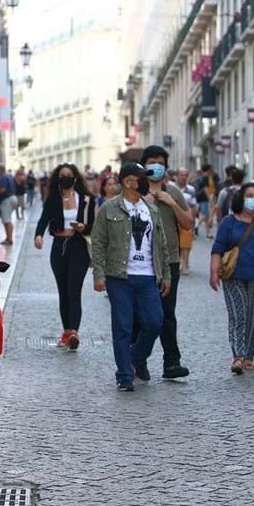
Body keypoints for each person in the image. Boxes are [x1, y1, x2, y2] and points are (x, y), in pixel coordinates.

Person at [91, 162, 171, 392]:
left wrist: (166, 275)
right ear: (128, 182)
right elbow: (98, 243)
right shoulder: (109, 209)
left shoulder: (152, 209)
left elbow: (161, 244)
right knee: (123, 326)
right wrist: (99, 274)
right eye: (141, 178)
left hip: (148, 276)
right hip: (119, 276)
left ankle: (136, 355)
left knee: (155, 321)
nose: (146, 182)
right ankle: (124, 374)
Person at [209, 182, 254, 375]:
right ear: (241, 198)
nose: (253, 200)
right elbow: (218, 247)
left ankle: (249, 356)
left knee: (253, 316)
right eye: (250, 195)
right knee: (238, 314)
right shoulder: (228, 222)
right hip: (233, 275)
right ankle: (238, 356)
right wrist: (213, 272)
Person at [135, 146, 193, 379]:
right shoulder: (134, 192)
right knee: (141, 316)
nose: (156, 166)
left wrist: (172, 203)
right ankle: (137, 359)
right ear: (144, 165)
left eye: (160, 162)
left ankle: (172, 362)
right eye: (151, 162)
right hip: (140, 262)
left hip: (169, 261)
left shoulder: (174, 192)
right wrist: (145, 202)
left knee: (167, 314)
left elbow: (188, 223)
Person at [34, 163, 95, 349]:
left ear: (75, 178)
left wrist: (84, 227)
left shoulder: (86, 199)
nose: (65, 177)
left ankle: (74, 331)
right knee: (63, 291)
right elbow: (43, 219)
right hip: (59, 246)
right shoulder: (53, 198)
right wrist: (38, 235)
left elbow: (94, 224)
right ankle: (67, 331)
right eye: (62, 175)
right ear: (57, 179)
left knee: (74, 290)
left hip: (78, 245)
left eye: (69, 174)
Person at [176, 168, 197, 274]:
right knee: (175, 243)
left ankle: (185, 265)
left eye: (185, 175)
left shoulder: (191, 189)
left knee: (186, 243)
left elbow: (193, 206)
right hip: (173, 220)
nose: (183, 177)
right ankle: (178, 262)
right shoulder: (171, 188)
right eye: (181, 175)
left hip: (186, 218)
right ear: (177, 176)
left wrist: (192, 221)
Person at [0, 164, 17, 245]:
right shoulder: (8, 177)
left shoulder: (3, 177)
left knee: (7, 220)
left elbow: (3, 189)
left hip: (6, 200)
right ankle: (8, 237)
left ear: (0, 170)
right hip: (12, 198)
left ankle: (9, 239)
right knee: (8, 219)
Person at [196, 163, 219, 238]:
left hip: (205, 197)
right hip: (205, 198)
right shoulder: (205, 177)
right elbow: (206, 189)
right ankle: (196, 224)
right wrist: (210, 199)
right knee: (206, 215)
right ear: (208, 169)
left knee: (207, 215)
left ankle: (208, 233)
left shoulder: (206, 177)